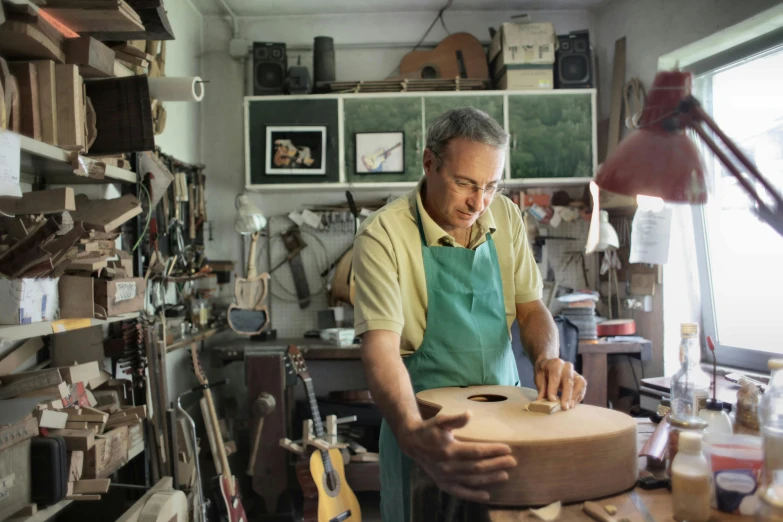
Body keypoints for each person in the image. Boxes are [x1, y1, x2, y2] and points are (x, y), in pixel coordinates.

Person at [351, 107, 588, 522]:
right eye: (464, 184)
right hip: (426, 432)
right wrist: (410, 431)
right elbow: (380, 349)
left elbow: (532, 308)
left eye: (491, 186)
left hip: (506, 424)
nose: (479, 202)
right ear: (430, 163)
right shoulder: (382, 235)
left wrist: (547, 358)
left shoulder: (506, 215)